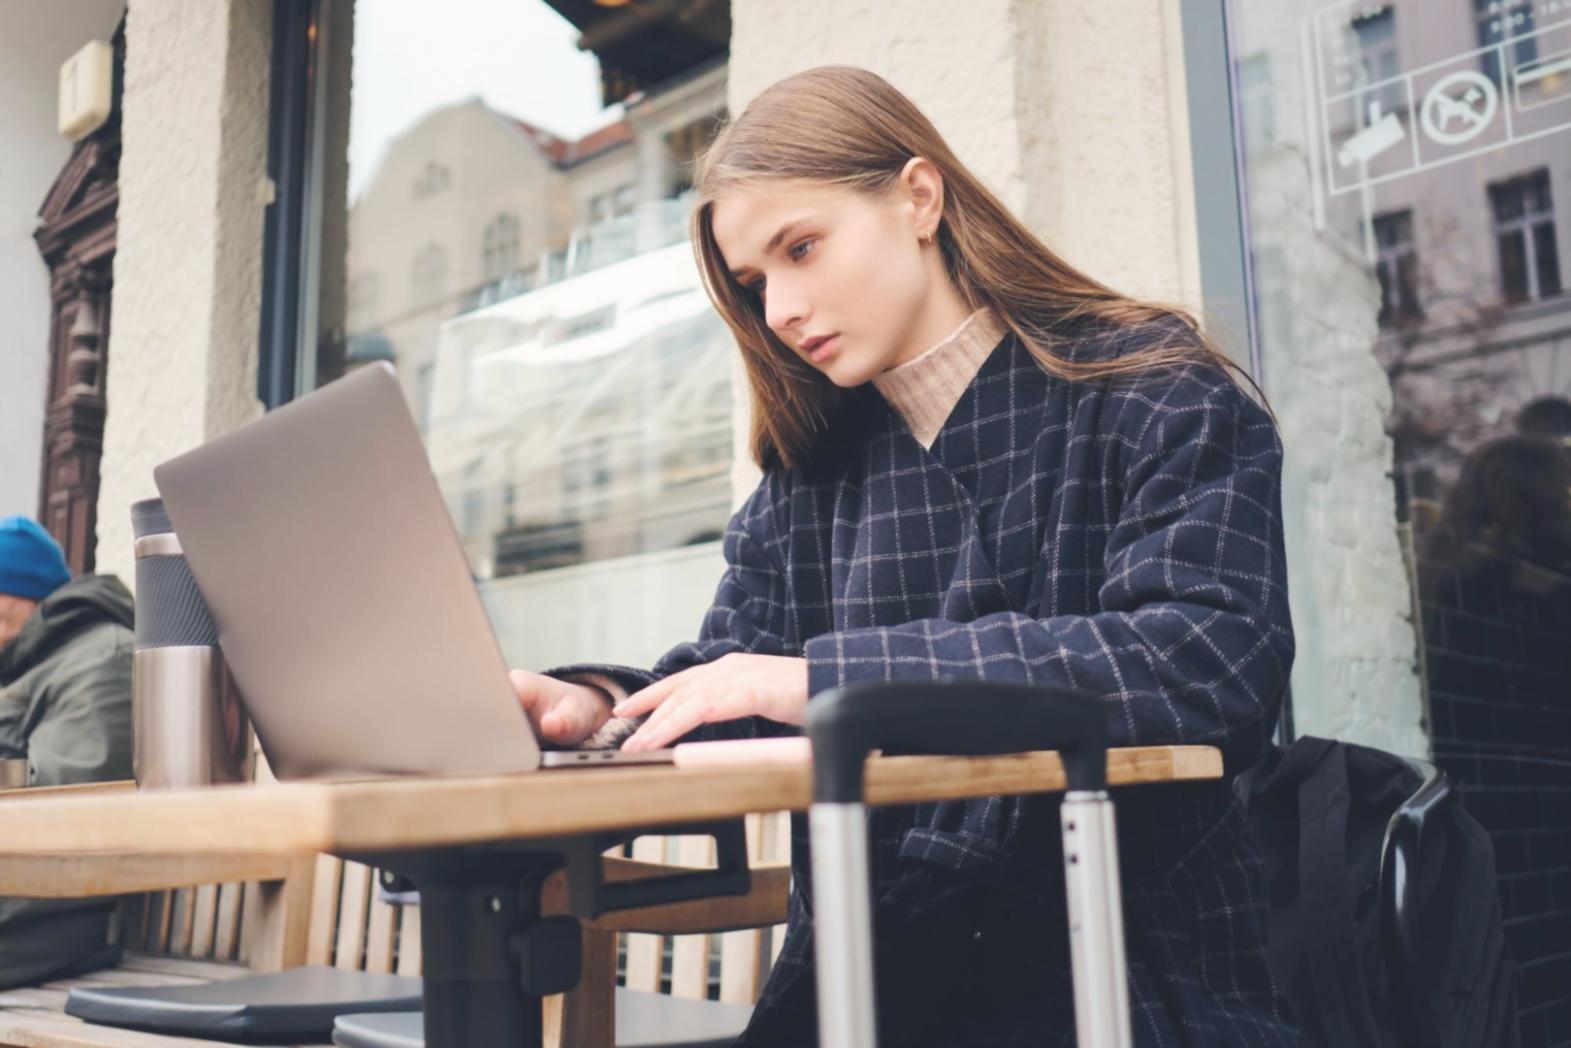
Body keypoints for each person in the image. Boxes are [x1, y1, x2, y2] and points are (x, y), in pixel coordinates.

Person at [508, 66, 1297, 1047]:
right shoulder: (810, 478)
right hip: (870, 990)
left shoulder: (1148, 387)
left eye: (801, 247)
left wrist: (824, 682)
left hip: (1122, 979)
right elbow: (727, 688)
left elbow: (1207, 658)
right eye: (755, 284)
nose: (782, 309)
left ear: (918, 197)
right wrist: (591, 709)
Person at [0, 516, 134, 987]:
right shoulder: (23, 668)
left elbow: (67, 822)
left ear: (17, 596)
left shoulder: (102, 659)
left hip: (43, 922)